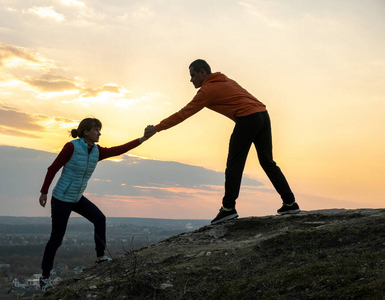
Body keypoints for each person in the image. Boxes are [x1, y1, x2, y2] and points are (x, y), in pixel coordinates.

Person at [145, 59, 300, 225]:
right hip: (263, 115)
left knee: (234, 164)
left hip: (248, 118)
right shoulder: (226, 80)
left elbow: (184, 113)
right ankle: (290, 203)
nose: (191, 80)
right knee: (267, 162)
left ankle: (228, 209)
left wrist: (157, 128)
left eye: (192, 75)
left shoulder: (207, 90)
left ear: (202, 72)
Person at [38, 117, 152, 291]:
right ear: (86, 132)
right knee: (57, 238)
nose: (99, 133)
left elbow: (120, 149)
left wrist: (143, 139)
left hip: (76, 197)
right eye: (96, 129)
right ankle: (44, 278)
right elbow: (52, 168)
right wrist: (44, 192)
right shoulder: (71, 147)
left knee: (100, 218)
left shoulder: (96, 151)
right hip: (61, 198)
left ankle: (100, 257)